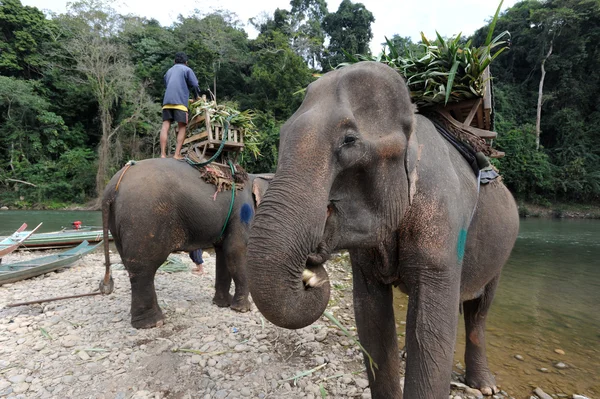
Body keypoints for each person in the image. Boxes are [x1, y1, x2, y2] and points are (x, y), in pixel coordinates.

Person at [160, 52, 201, 159]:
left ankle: (162, 154)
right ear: (186, 62)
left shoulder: (168, 71)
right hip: (180, 103)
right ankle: (177, 154)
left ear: (174, 62)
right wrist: (196, 97)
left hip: (167, 102)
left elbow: (167, 84)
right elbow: (195, 84)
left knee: (165, 126)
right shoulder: (187, 69)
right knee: (182, 126)